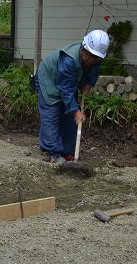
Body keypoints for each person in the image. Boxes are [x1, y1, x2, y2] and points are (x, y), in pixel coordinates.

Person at [34, 30, 109, 164]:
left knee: (69, 118)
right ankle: (54, 152)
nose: (92, 60)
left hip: (67, 83)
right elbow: (66, 89)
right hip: (49, 79)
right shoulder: (69, 60)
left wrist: (89, 83)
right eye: (89, 56)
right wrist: (76, 111)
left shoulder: (96, 59)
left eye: (95, 58)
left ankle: (68, 151)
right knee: (52, 113)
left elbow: (94, 73)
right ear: (83, 48)